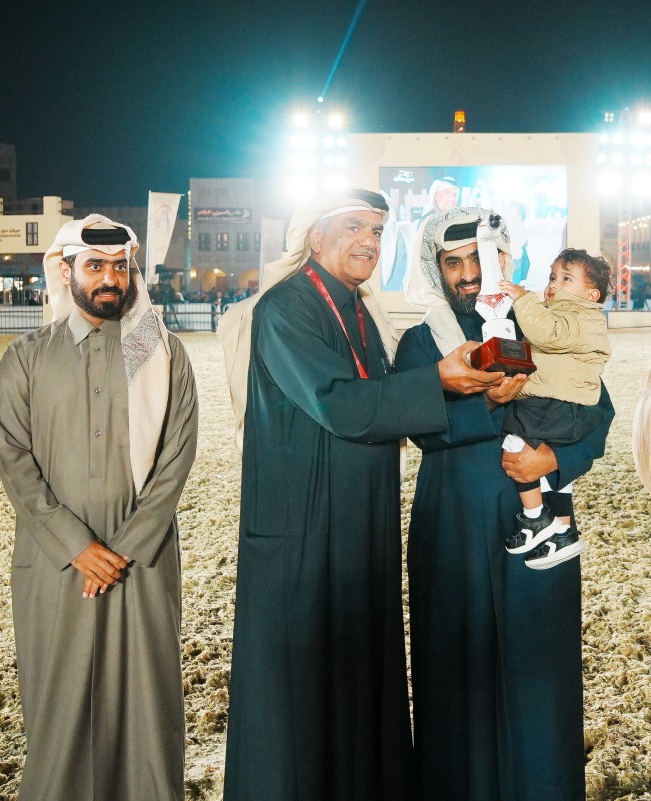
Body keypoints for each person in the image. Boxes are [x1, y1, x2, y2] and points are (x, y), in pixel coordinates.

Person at [217, 190, 503, 801]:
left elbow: (387, 402)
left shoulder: (358, 309)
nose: (370, 241)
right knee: (299, 704)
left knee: (355, 689)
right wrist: (439, 379)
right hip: (302, 533)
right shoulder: (286, 308)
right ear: (314, 238)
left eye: (378, 230)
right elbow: (339, 403)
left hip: (358, 529)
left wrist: (456, 384)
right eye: (354, 227)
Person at [397, 207, 614, 801]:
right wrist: (489, 405)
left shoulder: (547, 326)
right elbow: (419, 426)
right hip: (455, 523)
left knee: (538, 669)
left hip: (540, 523)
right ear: (436, 270)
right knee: (453, 670)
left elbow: (600, 413)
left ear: (505, 260)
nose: (470, 273)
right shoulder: (422, 342)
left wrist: (558, 462)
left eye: (482, 258)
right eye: (455, 262)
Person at [0, 215, 199, 801]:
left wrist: (125, 548)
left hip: (144, 560)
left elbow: (176, 459)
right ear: (68, 270)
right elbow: (15, 462)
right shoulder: (25, 358)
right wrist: (77, 546)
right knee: (59, 709)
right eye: (95, 266)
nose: (110, 278)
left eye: (120, 266)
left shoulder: (160, 354)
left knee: (146, 710)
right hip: (56, 563)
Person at [496, 249, 611, 568]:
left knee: (516, 439)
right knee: (554, 475)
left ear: (591, 295)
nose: (553, 285)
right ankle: (562, 531)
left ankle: (535, 516)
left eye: (566, 278)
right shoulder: (568, 316)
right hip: (563, 407)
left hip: (557, 408)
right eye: (552, 277)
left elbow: (546, 333)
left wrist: (523, 297)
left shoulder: (574, 317)